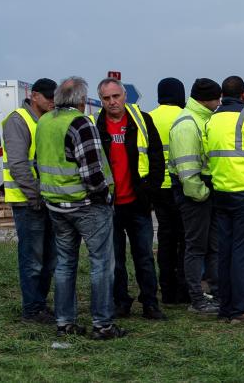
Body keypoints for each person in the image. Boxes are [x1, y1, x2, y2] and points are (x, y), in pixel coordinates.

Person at [37, 76, 124, 339]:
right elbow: (92, 172)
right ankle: (103, 324)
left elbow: (36, 161)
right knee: (101, 264)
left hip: (56, 205)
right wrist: (105, 196)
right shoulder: (80, 123)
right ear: (82, 101)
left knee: (65, 263)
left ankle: (64, 322)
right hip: (87, 206)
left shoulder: (44, 122)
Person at [96, 78, 167, 321]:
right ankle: (121, 303)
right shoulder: (96, 125)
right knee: (114, 260)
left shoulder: (142, 121)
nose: (112, 102)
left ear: (125, 96)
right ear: (101, 100)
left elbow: (158, 158)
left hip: (138, 203)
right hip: (109, 205)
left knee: (145, 257)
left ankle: (150, 303)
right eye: (106, 98)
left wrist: (151, 193)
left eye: (116, 96)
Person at [204, 76, 244, 324]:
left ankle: (225, 307)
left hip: (221, 193)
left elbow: (208, 154)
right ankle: (240, 309)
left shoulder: (213, 118)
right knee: (243, 253)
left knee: (225, 252)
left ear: (222, 95)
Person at [3, 77, 57, 324]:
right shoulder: (18, 120)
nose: (52, 102)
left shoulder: (46, 120)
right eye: (48, 97)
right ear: (34, 96)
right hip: (28, 202)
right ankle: (32, 310)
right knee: (33, 260)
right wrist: (36, 196)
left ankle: (39, 305)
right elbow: (18, 164)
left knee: (48, 259)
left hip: (45, 201)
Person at [167, 78, 222, 315]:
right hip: (194, 192)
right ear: (205, 99)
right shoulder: (187, 124)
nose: (220, 103)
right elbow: (188, 172)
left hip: (202, 190)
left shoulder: (202, 119)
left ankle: (215, 294)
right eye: (217, 98)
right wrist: (202, 193)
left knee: (211, 246)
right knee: (196, 247)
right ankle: (197, 299)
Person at [149, 77, 188, 305]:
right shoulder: (185, 117)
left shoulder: (150, 118)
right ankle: (184, 289)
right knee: (185, 239)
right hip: (180, 184)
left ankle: (167, 290)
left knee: (165, 238)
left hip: (157, 187)